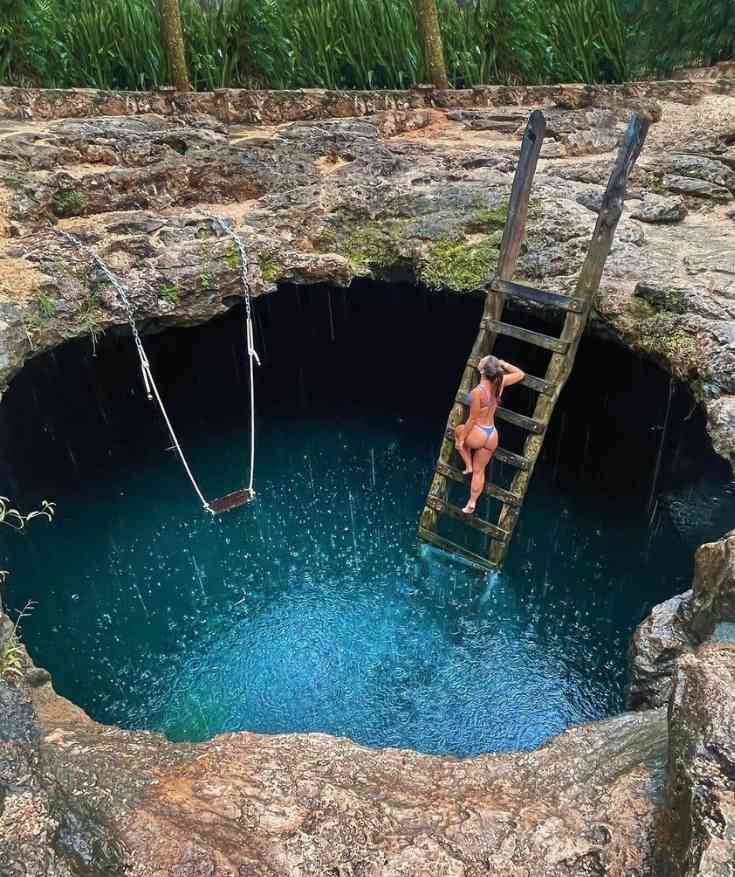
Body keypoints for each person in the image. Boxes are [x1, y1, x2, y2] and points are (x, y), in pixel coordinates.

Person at [454, 355, 525, 515]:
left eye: (482, 361)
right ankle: (472, 502)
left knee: (459, 430)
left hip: (478, 433)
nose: (480, 361)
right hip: (492, 434)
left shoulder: (477, 392)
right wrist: (504, 363)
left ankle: (468, 464)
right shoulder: (499, 384)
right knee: (480, 471)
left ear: (482, 370)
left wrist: (461, 439)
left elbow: (472, 419)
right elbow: (520, 374)